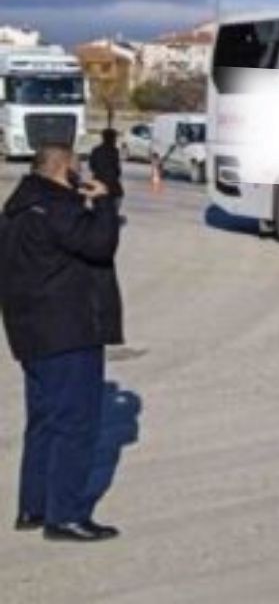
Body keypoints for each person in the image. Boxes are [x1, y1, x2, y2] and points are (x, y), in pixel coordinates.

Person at [0, 143, 123, 541]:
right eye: (77, 166)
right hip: (67, 331)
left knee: (45, 421)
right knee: (75, 423)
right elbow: (101, 246)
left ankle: (34, 507)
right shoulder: (57, 209)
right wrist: (106, 202)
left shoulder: (19, 207)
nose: (81, 172)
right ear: (63, 169)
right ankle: (65, 515)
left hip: (31, 331)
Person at [88, 129, 124, 213]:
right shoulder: (114, 151)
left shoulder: (96, 150)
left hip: (98, 181)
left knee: (97, 207)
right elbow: (117, 169)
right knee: (114, 205)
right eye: (115, 138)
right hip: (111, 184)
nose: (115, 140)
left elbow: (91, 166)